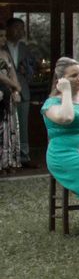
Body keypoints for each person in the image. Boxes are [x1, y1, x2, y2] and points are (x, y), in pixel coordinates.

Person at [42, 58, 79, 199]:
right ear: (61, 80)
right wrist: (65, 92)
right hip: (65, 153)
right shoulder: (51, 103)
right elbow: (66, 118)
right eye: (74, 75)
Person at [4, 17, 34, 167]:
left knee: (23, 124)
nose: (20, 31)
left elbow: (32, 69)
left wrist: (26, 72)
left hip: (23, 91)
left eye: (22, 28)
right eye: (16, 27)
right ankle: (8, 157)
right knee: (6, 125)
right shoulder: (2, 47)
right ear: (8, 29)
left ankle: (24, 156)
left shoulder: (24, 48)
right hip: (4, 91)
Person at [0, 28, 21, 174]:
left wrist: (16, 90)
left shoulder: (5, 54)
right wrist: (14, 85)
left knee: (11, 128)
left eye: (4, 35)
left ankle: (10, 161)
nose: (3, 39)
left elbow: (12, 71)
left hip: (9, 95)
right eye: (0, 36)